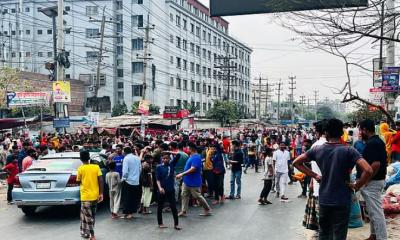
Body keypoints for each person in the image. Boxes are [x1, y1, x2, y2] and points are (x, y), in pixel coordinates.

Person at [293, 118, 373, 240]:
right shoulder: (349, 150)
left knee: (324, 234)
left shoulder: (317, 149)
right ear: (341, 133)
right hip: (342, 200)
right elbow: (368, 170)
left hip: (324, 199)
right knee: (339, 234)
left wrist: (315, 175)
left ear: (326, 133)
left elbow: (296, 163)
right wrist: (357, 185)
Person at [359, 119, 388, 240]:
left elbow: (375, 165)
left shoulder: (373, 143)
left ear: (365, 130)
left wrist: (365, 180)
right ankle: (374, 235)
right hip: (375, 180)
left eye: (361, 130)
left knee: (376, 213)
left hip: (373, 181)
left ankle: (381, 237)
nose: (360, 133)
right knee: (372, 211)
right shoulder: (375, 141)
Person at [176, 142, 212, 217]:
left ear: (191, 149)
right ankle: (184, 211)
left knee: (197, 196)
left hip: (193, 181)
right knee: (184, 195)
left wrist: (182, 174)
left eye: (188, 148)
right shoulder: (191, 156)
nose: (186, 149)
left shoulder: (196, 157)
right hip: (187, 181)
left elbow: (193, 169)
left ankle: (207, 209)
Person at [76, 151, 104, 240]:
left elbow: (78, 181)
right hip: (95, 196)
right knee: (91, 216)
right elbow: (101, 180)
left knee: (87, 217)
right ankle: (86, 233)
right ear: (89, 158)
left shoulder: (80, 169)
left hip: (85, 197)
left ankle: (92, 235)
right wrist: (101, 193)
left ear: (80, 159)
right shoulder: (96, 167)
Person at [156, 152, 182, 230]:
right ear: (162, 159)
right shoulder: (159, 167)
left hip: (171, 189)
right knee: (160, 207)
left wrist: (168, 151)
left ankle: (176, 224)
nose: (165, 159)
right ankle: (160, 223)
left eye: (167, 158)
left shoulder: (172, 164)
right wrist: (160, 188)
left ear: (169, 159)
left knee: (174, 207)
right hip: (162, 190)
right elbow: (157, 179)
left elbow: (179, 155)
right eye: (163, 158)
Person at [121, 147, 142, 220]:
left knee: (127, 198)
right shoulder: (137, 158)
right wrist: (137, 177)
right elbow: (140, 169)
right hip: (136, 181)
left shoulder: (126, 158)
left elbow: (125, 171)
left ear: (125, 152)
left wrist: (123, 179)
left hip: (128, 181)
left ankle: (128, 214)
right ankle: (130, 213)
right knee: (133, 198)